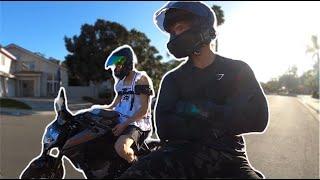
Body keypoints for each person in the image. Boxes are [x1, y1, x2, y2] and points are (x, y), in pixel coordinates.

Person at [119, 1, 269, 179]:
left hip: (229, 156)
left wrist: (192, 108)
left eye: (180, 28)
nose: (174, 37)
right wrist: (224, 116)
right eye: (172, 33)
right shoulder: (172, 79)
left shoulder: (237, 69)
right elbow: (165, 128)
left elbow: (258, 119)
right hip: (178, 153)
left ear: (202, 27)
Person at [104, 45, 155, 164]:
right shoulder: (121, 83)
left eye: (118, 65)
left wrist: (124, 125)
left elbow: (144, 110)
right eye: (115, 66)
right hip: (121, 119)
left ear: (127, 63)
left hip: (138, 123)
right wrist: (95, 111)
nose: (115, 69)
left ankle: (137, 166)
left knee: (121, 148)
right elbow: (114, 105)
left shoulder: (140, 79)